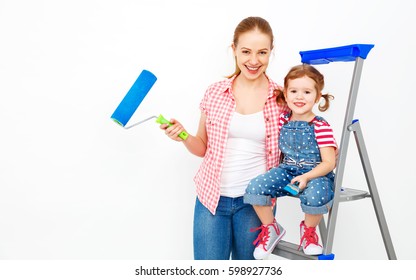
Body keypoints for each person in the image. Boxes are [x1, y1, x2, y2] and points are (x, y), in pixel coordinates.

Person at [160, 16, 288, 260]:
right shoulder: (216, 92)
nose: (253, 60)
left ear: (271, 52)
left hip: (256, 204)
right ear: (234, 50)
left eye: (262, 52)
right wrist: (183, 135)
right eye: (246, 51)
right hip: (211, 199)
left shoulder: (282, 98)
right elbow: (202, 147)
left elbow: (297, 143)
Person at [244, 64, 337, 260]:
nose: (299, 97)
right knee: (255, 187)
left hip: (315, 172)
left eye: (307, 92)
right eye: (294, 91)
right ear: (286, 94)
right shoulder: (283, 119)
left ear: (317, 97)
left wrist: (306, 176)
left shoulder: (321, 126)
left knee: (316, 194)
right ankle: (271, 228)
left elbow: (329, 162)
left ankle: (309, 234)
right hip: (287, 169)